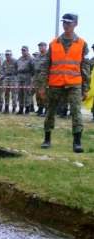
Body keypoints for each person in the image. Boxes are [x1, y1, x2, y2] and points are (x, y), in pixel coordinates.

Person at [40, 13, 90, 153]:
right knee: (50, 111)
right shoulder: (53, 43)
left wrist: (85, 88)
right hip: (55, 83)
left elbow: (85, 67)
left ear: (75, 24)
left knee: (76, 112)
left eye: (69, 22)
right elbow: (45, 66)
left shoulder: (82, 44)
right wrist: (42, 86)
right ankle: (47, 139)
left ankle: (77, 142)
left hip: (74, 84)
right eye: (64, 22)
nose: (66, 25)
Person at [16, 46, 35, 114]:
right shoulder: (19, 59)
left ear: (27, 51)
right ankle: (21, 109)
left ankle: (27, 109)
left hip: (27, 77)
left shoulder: (31, 59)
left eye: (24, 50)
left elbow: (33, 69)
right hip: (20, 77)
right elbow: (16, 68)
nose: (23, 52)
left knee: (27, 93)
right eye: (22, 50)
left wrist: (32, 78)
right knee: (20, 93)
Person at [33, 42, 49, 116]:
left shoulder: (48, 55)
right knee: (38, 94)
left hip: (44, 77)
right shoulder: (37, 57)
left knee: (44, 94)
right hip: (37, 77)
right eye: (39, 46)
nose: (40, 48)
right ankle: (40, 109)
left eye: (42, 46)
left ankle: (46, 110)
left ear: (46, 47)